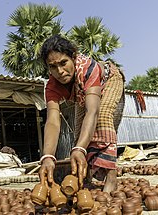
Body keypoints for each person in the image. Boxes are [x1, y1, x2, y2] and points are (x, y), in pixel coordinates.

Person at [38, 34, 125, 193]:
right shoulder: (51, 86)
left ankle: (111, 176)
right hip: (82, 92)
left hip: (109, 80)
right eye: (52, 67)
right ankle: (85, 175)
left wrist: (80, 149)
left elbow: (92, 111)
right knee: (79, 137)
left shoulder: (87, 68)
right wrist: (47, 156)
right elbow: (52, 122)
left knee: (103, 118)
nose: (60, 71)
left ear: (73, 57)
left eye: (64, 63)